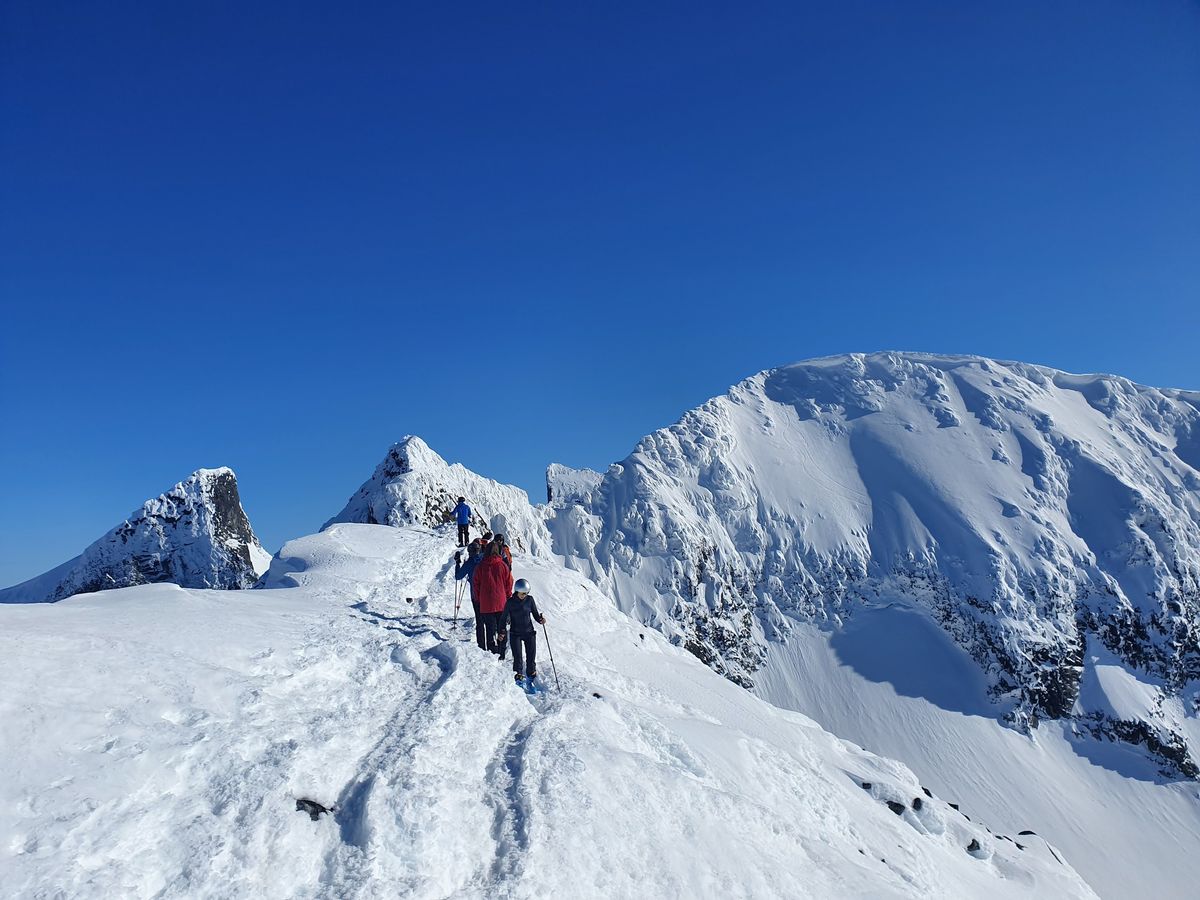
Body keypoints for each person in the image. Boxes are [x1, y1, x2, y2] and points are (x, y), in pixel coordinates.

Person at [497, 578, 545, 683]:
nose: (524, 595)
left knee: (531, 656)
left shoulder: (530, 600)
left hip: (529, 633)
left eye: (526, 593)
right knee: (517, 657)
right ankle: (518, 676)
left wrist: (540, 620)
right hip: (515, 634)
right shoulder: (510, 602)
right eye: (523, 593)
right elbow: (503, 618)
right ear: (517, 591)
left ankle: (531, 676)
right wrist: (501, 631)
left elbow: (536, 615)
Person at [473, 542, 513, 659]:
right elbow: (509, 583)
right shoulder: (503, 566)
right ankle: (501, 651)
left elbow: (476, 585)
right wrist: (508, 597)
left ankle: (491, 653)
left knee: (489, 629)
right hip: (501, 603)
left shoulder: (480, 567)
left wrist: (479, 598)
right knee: (502, 629)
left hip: (485, 605)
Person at [454, 542, 486, 650]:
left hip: (476, 596)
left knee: (480, 621)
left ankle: (481, 646)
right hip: (488, 595)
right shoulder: (485, 559)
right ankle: (493, 645)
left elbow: (458, 576)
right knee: (491, 621)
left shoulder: (470, 562)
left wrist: (458, 563)